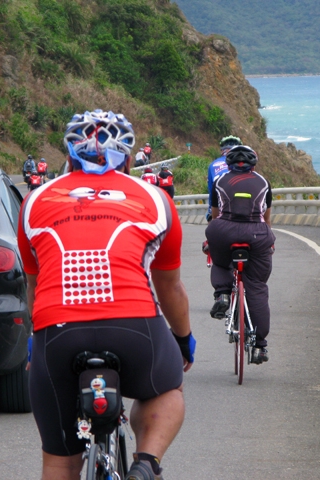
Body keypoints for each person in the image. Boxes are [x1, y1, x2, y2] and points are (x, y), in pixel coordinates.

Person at [17, 109, 195, 480]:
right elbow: (170, 287)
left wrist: (37, 339)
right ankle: (145, 465)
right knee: (167, 390)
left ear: (67, 156)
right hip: (134, 328)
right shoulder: (156, 199)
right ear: (129, 159)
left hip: (57, 332)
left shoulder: (33, 201)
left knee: (59, 462)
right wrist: (182, 340)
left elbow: (34, 286)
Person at [205, 145, 274, 365]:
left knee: (220, 260)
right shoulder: (264, 183)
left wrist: (212, 242)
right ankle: (260, 346)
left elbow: (216, 215)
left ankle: (223, 294)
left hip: (224, 231)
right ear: (254, 164)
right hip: (257, 234)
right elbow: (266, 217)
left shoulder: (220, 182)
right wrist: (268, 243)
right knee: (257, 285)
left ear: (229, 164)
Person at [206, 135, 242, 221]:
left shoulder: (212, 165)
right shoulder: (243, 163)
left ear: (222, 150)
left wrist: (210, 213)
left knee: (212, 227)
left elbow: (211, 191)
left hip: (221, 206)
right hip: (242, 206)